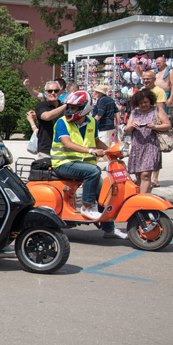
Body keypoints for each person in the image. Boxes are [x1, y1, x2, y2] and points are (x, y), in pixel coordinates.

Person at [50, 91, 127, 238]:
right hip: (64, 163)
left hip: (82, 167)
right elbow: (67, 143)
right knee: (93, 171)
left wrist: (111, 150)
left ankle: (109, 229)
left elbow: (97, 141)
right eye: (69, 107)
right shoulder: (62, 122)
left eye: (74, 108)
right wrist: (91, 151)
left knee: (105, 189)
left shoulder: (92, 122)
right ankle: (87, 207)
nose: (70, 110)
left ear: (85, 108)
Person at [124, 89, 171, 194]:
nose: (143, 105)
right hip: (137, 147)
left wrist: (155, 126)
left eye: (146, 102)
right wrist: (132, 125)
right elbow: (127, 130)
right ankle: (142, 195)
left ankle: (142, 200)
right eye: (141, 103)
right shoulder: (134, 112)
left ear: (151, 101)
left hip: (151, 146)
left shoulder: (157, 110)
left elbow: (167, 125)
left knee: (145, 174)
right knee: (138, 176)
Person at [27, 79, 67, 159]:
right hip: (46, 150)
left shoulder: (64, 107)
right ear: (45, 93)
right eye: (50, 91)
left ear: (59, 92)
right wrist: (65, 106)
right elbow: (46, 116)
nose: (53, 93)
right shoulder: (41, 106)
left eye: (56, 91)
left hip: (62, 150)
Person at [142, 70, 168, 187]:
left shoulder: (159, 91)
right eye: (144, 79)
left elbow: (160, 109)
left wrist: (155, 125)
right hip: (142, 126)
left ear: (154, 79)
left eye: (148, 79)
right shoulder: (142, 91)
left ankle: (155, 179)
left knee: (155, 153)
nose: (146, 81)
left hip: (154, 125)